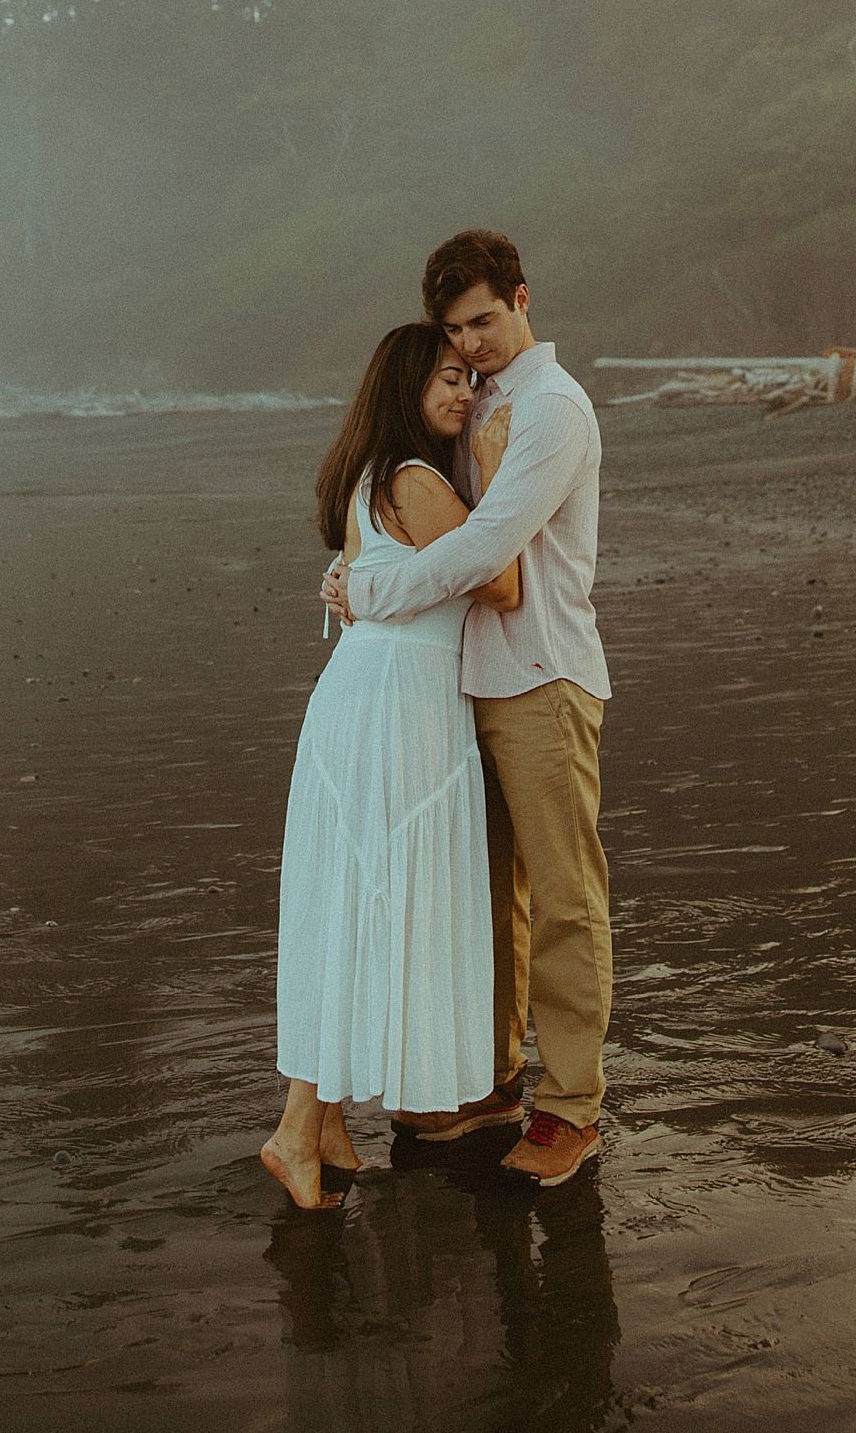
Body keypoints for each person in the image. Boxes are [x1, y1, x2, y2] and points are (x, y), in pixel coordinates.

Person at [327, 231, 612, 1188]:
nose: (474, 343)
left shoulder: (554, 410)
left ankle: (571, 1106)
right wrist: (352, 564)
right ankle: (491, 1079)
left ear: (523, 298)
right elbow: (418, 506)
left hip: (541, 675)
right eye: (455, 329)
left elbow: (489, 544)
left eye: (485, 319)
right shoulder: (470, 402)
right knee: (484, 897)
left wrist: (371, 591)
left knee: (565, 897)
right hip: (459, 685)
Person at [262, 322, 520, 1211]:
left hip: (367, 699)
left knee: (355, 900)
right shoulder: (414, 480)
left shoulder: (370, 480)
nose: (462, 393)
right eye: (446, 379)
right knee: (372, 900)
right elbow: (502, 581)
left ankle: (325, 1120)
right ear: (405, 389)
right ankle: (297, 1130)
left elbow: (398, 576)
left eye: (467, 379)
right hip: (396, 712)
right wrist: (491, 471)